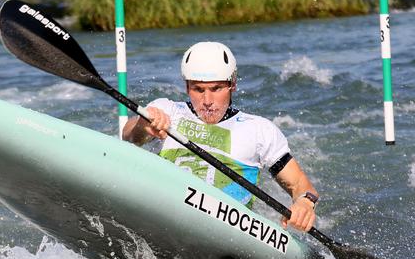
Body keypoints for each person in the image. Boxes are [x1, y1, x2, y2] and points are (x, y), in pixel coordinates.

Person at [122, 41, 318, 232]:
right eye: (198, 89)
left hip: (226, 231)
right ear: (186, 86)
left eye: (216, 89)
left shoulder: (259, 130)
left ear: (232, 84)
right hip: (164, 212)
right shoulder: (167, 110)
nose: (207, 101)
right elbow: (129, 136)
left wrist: (304, 203)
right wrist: (143, 124)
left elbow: (301, 185)